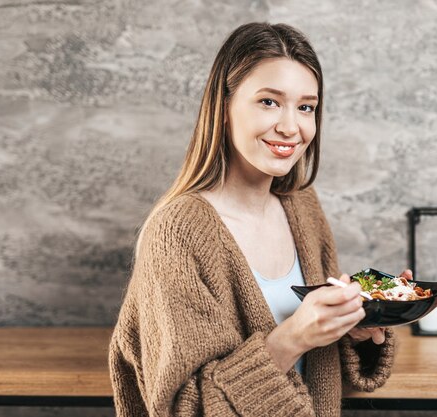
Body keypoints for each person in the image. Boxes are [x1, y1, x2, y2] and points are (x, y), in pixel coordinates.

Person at [109, 22, 409, 417]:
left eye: (306, 107)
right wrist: (291, 338)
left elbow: (313, 376)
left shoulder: (302, 206)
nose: (291, 127)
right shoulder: (177, 233)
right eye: (269, 101)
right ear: (224, 106)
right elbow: (187, 406)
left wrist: (350, 328)